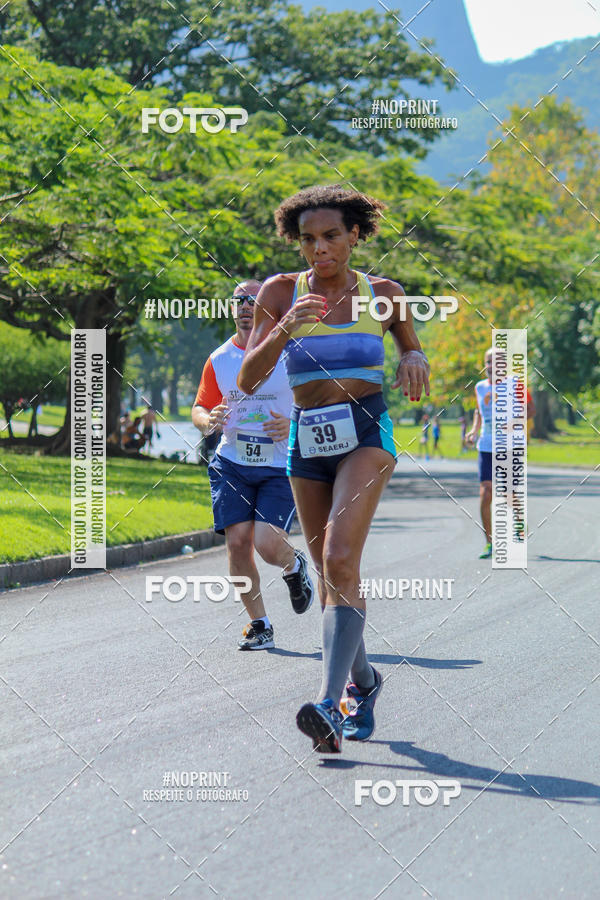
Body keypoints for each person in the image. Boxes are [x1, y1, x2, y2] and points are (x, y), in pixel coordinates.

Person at [238, 185, 429, 752]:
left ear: (355, 235)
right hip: (307, 435)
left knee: (342, 557)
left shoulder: (385, 293)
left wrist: (413, 356)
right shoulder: (280, 292)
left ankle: (329, 702)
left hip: (366, 431)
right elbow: (248, 380)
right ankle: (366, 682)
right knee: (328, 572)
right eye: (308, 240)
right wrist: (281, 329)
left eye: (330, 237)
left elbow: (409, 348)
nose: (318, 249)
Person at [192, 279, 314, 650]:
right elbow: (199, 407)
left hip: (278, 464)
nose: (246, 305)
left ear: (267, 308)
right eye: (239, 300)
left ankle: (294, 566)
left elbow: (317, 403)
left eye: (254, 300)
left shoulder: (292, 353)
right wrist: (207, 420)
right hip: (231, 462)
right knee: (238, 543)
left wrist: (293, 422)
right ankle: (259, 624)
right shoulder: (219, 359)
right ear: (232, 308)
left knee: (265, 543)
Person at [466, 348, 535, 559]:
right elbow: (479, 411)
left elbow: (531, 409)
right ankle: (490, 542)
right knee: (486, 492)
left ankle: (519, 523)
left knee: (509, 492)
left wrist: (513, 423)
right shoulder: (479, 387)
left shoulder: (516, 384)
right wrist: (474, 430)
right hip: (486, 446)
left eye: (496, 362)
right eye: (488, 362)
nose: (491, 366)